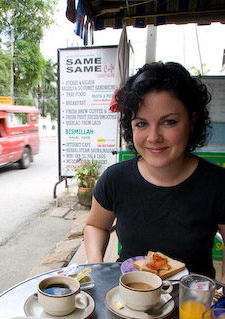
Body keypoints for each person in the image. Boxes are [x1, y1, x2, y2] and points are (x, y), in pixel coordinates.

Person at [84, 61, 225, 282]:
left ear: (192, 121)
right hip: (129, 298)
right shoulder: (115, 179)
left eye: (169, 122)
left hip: (190, 306)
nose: (154, 137)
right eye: (141, 124)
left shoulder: (218, 184)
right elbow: (95, 225)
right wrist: (95, 263)